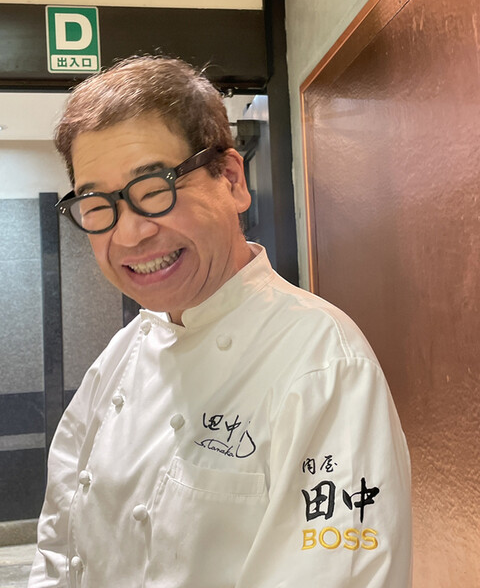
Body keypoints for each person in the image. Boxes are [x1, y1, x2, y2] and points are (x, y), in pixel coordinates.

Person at [29, 55, 411, 588]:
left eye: (154, 188)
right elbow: (59, 545)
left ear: (230, 180)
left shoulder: (325, 367)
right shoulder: (119, 357)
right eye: (97, 205)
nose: (131, 234)